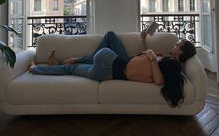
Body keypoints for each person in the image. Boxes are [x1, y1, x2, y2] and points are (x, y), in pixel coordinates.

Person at [28, 31, 195, 107]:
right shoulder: (164, 57)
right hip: (116, 66)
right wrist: (143, 39)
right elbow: (140, 56)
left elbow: (158, 80)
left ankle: (45, 67)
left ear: (181, 52)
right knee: (108, 37)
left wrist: (152, 58)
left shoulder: (172, 64)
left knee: (81, 64)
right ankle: (55, 65)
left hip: (113, 67)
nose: (174, 45)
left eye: (177, 45)